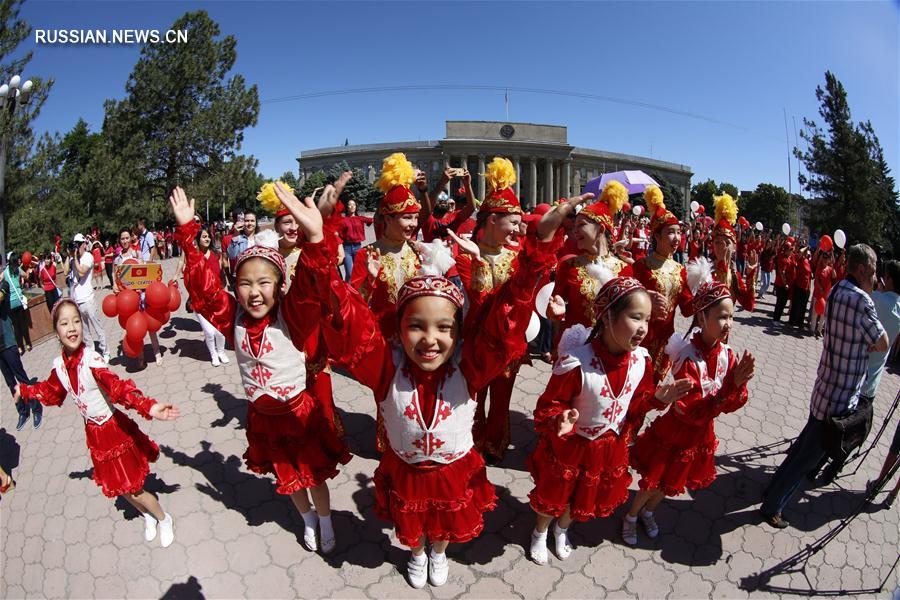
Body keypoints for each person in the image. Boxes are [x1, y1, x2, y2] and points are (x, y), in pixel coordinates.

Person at [319, 205, 557, 588]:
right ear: (399, 328)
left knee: (445, 518)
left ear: (459, 333)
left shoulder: (470, 368)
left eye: (444, 327)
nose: (430, 340)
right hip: (407, 469)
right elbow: (347, 319)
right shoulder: (386, 367)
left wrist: (537, 249)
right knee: (410, 520)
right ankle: (416, 553)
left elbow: (507, 318)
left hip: (452, 469)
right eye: (416, 326)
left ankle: (440, 552)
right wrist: (319, 242)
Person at [172, 184, 350, 554]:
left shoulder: (292, 315)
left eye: (264, 283)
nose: (254, 293)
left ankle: (328, 519)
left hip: (298, 414)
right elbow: (205, 293)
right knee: (287, 478)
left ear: (280, 285)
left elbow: (313, 286)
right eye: (245, 284)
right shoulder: (233, 318)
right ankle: (308, 521)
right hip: (264, 418)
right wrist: (189, 233)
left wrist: (316, 237)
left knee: (314, 476)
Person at [527, 276, 691, 563]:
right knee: (556, 493)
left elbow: (636, 404)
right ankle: (540, 531)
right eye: (635, 317)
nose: (643, 328)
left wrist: (658, 399)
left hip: (606, 448)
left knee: (580, 496)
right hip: (571, 445)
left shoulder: (642, 361)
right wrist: (559, 417)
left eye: (647, 320)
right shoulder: (576, 362)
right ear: (607, 316)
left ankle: (562, 528)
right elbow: (548, 405)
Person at [14, 299, 179, 546]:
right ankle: (147, 516)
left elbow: (119, 388)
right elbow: (49, 392)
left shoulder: (92, 360)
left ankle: (163, 518)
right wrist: (25, 390)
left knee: (134, 488)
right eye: (64, 323)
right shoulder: (58, 366)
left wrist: (149, 406)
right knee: (120, 488)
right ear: (56, 331)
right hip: (94, 435)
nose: (72, 328)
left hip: (114, 430)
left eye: (76, 321)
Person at [760, 244, 889, 528]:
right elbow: (882, 343)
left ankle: (771, 491)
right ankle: (773, 507)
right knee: (806, 459)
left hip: (824, 387)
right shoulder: (861, 300)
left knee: (801, 449)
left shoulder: (838, 290)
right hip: (840, 397)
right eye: (873, 270)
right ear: (861, 269)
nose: (876, 276)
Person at [627, 279, 754, 544]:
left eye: (731, 317)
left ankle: (649, 512)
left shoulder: (727, 356)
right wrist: (729, 388)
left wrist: (737, 386)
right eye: (721, 317)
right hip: (675, 432)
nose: (728, 324)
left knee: (672, 481)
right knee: (653, 481)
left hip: (699, 436)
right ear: (702, 317)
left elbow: (730, 404)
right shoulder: (687, 356)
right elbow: (689, 410)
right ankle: (631, 516)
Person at [547, 181, 630, 335]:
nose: (575, 230)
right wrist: (556, 312)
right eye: (574, 225)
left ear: (601, 229)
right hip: (576, 350)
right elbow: (553, 313)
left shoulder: (626, 269)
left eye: (581, 225)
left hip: (611, 351)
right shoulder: (569, 265)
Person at [630, 185, 695, 382]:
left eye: (679, 232)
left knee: (654, 389)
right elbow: (627, 303)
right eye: (671, 232)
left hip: (666, 341)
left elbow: (686, 308)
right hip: (640, 337)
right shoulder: (641, 266)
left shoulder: (680, 270)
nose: (677, 238)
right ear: (657, 236)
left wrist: (704, 295)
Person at [113, 228, 162, 368]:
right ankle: (140, 358)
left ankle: (157, 353)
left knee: (150, 324)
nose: (125, 241)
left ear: (131, 238)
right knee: (135, 329)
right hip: (128, 300)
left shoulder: (137, 253)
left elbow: (145, 272)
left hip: (142, 295)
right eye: (122, 238)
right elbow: (115, 278)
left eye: (127, 238)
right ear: (119, 240)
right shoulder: (118, 259)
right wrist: (115, 287)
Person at [0, 268, 38, 430]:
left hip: (8, 342)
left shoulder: (4, 284)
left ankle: (36, 408)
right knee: (10, 383)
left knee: (21, 378)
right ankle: (22, 411)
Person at [186, 226, 229, 367]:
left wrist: (225, 294)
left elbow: (222, 277)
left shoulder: (216, 255)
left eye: (208, 236)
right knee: (209, 332)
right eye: (204, 237)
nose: (207, 239)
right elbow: (189, 280)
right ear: (198, 240)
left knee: (220, 330)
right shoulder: (194, 258)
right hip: (200, 302)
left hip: (217, 299)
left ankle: (221, 352)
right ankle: (213, 354)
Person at [708, 194, 757, 312]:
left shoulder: (734, 276)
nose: (722, 246)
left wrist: (750, 275)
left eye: (726, 242)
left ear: (734, 246)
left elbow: (749, 305)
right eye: (718, 242)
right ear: (713, 244)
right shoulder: (705, 271)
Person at [339, 198, 374, 282]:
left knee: (359, 273)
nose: (352, 206)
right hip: (346, 249)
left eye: (354, 204)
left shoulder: (360, 218)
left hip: (358, 247)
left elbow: (372, 220)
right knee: (349, 273)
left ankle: (357, 292)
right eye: (350, 204)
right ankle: (346, 291)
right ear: (347, 207)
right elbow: (338, 235)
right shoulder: (343, 220)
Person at [3, 254, 32, 354]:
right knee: (23, 324)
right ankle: (28, 344)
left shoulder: (5, 272)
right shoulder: (17, 270)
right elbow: (27, 276)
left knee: (16, 327)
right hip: (20, 301)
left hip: (10, 303)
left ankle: (20, 347)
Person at [788, 247, 812, 329]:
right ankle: (791, 322)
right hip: (798, 286)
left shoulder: (808, 263)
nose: (807, 255)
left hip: (806, 288)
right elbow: (800, 252)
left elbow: (809, 277)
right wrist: (806, 247)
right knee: (795, 305)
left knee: (803, 307)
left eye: (808, 254)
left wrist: (809, 288)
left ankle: (799, 323)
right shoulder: (800, 260)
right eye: (806, 253)